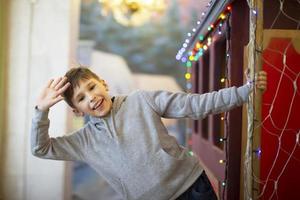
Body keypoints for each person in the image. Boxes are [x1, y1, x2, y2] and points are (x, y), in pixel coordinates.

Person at [31, 67, 267, 200]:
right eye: (81, 98)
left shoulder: (141, 100)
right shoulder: (84, 141)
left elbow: (197, 105)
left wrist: (244, 92)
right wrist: (41, 111)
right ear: (77, 111)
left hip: (193, 188)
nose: (91, 97)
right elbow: (40, 148)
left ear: (103, 83)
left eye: (91, 87)